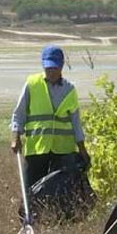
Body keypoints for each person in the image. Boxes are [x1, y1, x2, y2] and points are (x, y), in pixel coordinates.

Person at [10, 45, 90, 187]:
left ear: (61, 67)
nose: (51, 72)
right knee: (31, 193)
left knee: (63, 193)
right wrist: (15, 137)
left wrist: (82, 150)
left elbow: (76, 123)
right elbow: (19, 113)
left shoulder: (69, 89)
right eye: (48, 68)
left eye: (54, 68)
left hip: (63, 151)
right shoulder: (32, 84)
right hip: (37, 148)